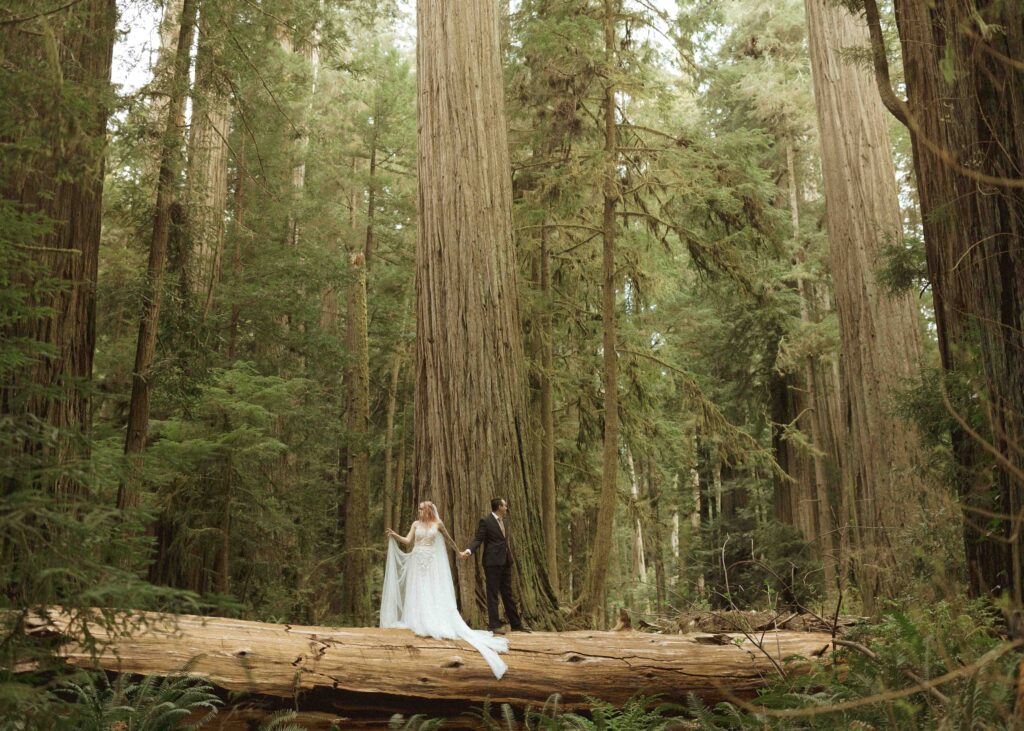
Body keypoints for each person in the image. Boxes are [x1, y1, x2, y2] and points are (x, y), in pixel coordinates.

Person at [381, 501, 509, 678]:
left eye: (420, 509)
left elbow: (448, 539)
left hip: (431, 563)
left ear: (427, 510)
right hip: (417, 561)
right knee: (418, 591)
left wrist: (459, 552)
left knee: (431, 590)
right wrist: (395, 536)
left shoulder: (437, 524)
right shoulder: (415, 524)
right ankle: (418, 618)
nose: (418, 511)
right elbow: (408, 540)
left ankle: (432, 618)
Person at [460, 497, 532, 634]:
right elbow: (478, 539)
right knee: (492, 593)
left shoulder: (504, 522)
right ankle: (494, 625)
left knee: (508, 593)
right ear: (499, 507)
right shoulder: (486, 522)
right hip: (492, 563)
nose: (506, 508)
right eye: (505, 505)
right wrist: (469, 551)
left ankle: (516, 624)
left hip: (505, 561)